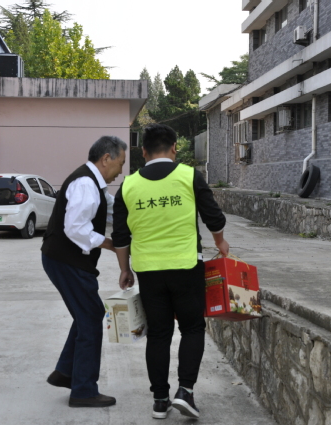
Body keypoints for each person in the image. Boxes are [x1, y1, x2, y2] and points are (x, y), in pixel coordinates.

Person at [112, 124, 229, 420]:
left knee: (159, 333)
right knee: (192, 328)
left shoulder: (128, 185)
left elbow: (121, 236)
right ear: (175, 148)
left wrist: (124, 270)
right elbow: (214, 218)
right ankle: (185, 392)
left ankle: (160, 400)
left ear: (143, 152)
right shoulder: (190, 176)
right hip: (186, 266)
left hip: (148, 271)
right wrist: (220, 242)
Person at [41, 136, 126, 408]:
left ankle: (66, 372)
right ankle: (84, 390)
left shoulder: (95, 185)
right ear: (106, 159)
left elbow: (111, 211)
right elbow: (75, 227)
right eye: (121, 163)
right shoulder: (86, 183)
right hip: (66, 260)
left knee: (87, 313)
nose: (121, 171)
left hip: (65, 259)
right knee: (90, 317)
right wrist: (110, 244)